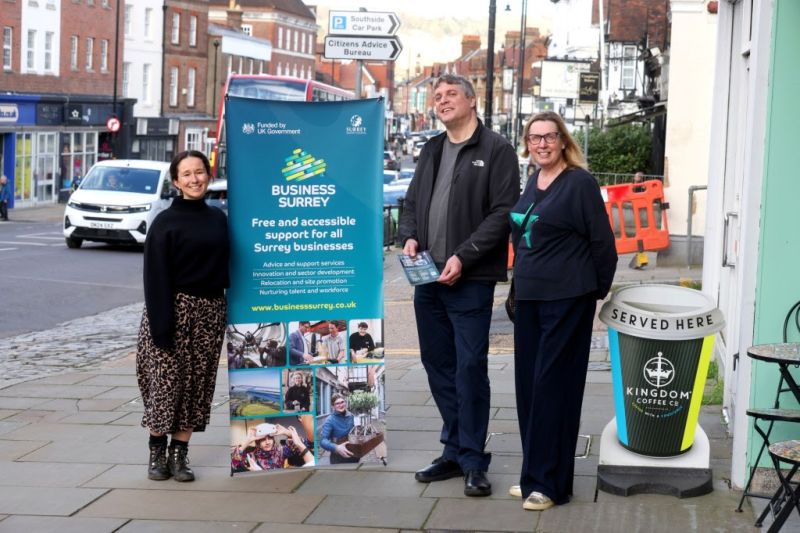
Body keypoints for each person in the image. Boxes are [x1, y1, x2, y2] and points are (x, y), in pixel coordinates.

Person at [398, 74, 520, 497]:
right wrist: (409, 236)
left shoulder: (497, 149)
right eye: (437, 96)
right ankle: (454, 448)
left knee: (469, 368)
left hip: (470, 280)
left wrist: (463, 255)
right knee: (437, 366)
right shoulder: (432, 148)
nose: (442, 101)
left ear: (471, 100)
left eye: (451, 94)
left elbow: (503, 212)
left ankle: (472, 458)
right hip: (427, 277)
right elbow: (411, 203)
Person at [508, 111, 617, 511]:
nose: (541, 144)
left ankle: (551, 484)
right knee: (528, 389)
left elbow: (603, 244)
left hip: (567, 299)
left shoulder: (580, 183)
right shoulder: (532, 181)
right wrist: (517, 287)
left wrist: (591, 293)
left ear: (563, 141)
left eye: (549, 137)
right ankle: (534, 473)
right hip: (531, 300)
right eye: (535, 138)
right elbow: (523, 240)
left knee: (555, 388)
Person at [136, 150, 230, 483]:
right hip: (172, 311)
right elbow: (155, 276)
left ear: (208, 174)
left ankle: (180, 455)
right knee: (165, 385)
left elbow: (229, 266)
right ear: (176, 181)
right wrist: (162, 327)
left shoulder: (219, 218)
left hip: (209, 313)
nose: (194, 179)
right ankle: (156, 452)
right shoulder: (165, 222)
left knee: (197, 386)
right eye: (187, 174)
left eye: (200, 172)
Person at [232, 424, 313, 471]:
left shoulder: (281, 450)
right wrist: (248, 440)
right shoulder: (251, 457)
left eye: (270, 438)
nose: (267, 442)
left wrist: (286, 432)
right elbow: (235, 465)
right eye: (263, 440)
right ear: (257, 442)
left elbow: (305, 445)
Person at [319, 393, 359, 464]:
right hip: (338, 457)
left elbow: (354, 431)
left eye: (342, 402)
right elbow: (322, 441)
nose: (341, 405)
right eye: (337, 403)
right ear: (333, 406)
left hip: (353, 454)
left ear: (345, 402)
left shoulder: (351, 416)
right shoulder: (330, 420)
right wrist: (336, 448)